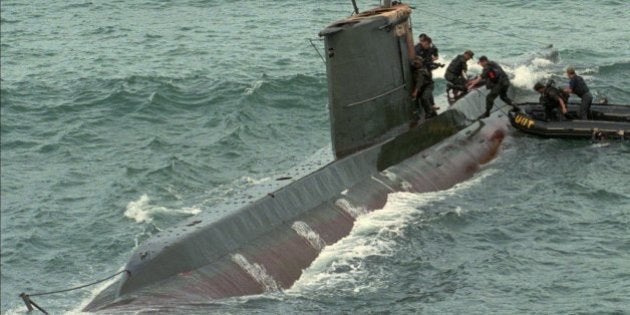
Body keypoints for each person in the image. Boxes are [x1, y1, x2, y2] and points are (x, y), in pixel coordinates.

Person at [414, 36, 440, 112]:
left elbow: (435, 52)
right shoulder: (417, 49)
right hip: (420, 69)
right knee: (423, 85)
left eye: (428, 44)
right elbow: (417, 61)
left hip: (427, 69)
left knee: (428, 85)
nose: (427, 46)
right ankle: (424, 105)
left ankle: (432, 104)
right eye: (426, 44)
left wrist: (435, 58)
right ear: (422, 42)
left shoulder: (430, 47)